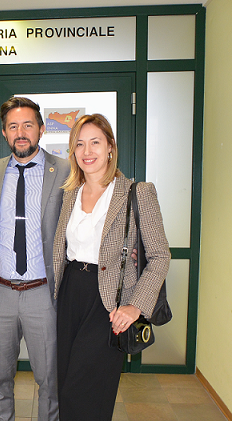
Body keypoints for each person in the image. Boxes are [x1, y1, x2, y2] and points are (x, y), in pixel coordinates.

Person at [52, 113, 171, 420]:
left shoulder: (136, 192)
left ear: (110, 148)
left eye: (95, 142)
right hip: (70, 294)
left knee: (85, 391)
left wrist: (135, 306)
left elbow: (160, 255)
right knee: (65, 386)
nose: (87, 151)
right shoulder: (70, 194)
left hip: (108, 302)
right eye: (80, 144)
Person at [0, 96, 70, 421]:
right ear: (4, 132)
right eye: (13, 126)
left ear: (41, 129)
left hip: (43, 293)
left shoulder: (65, 170)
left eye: (28, 125)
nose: (20, 132)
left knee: (50, 381)